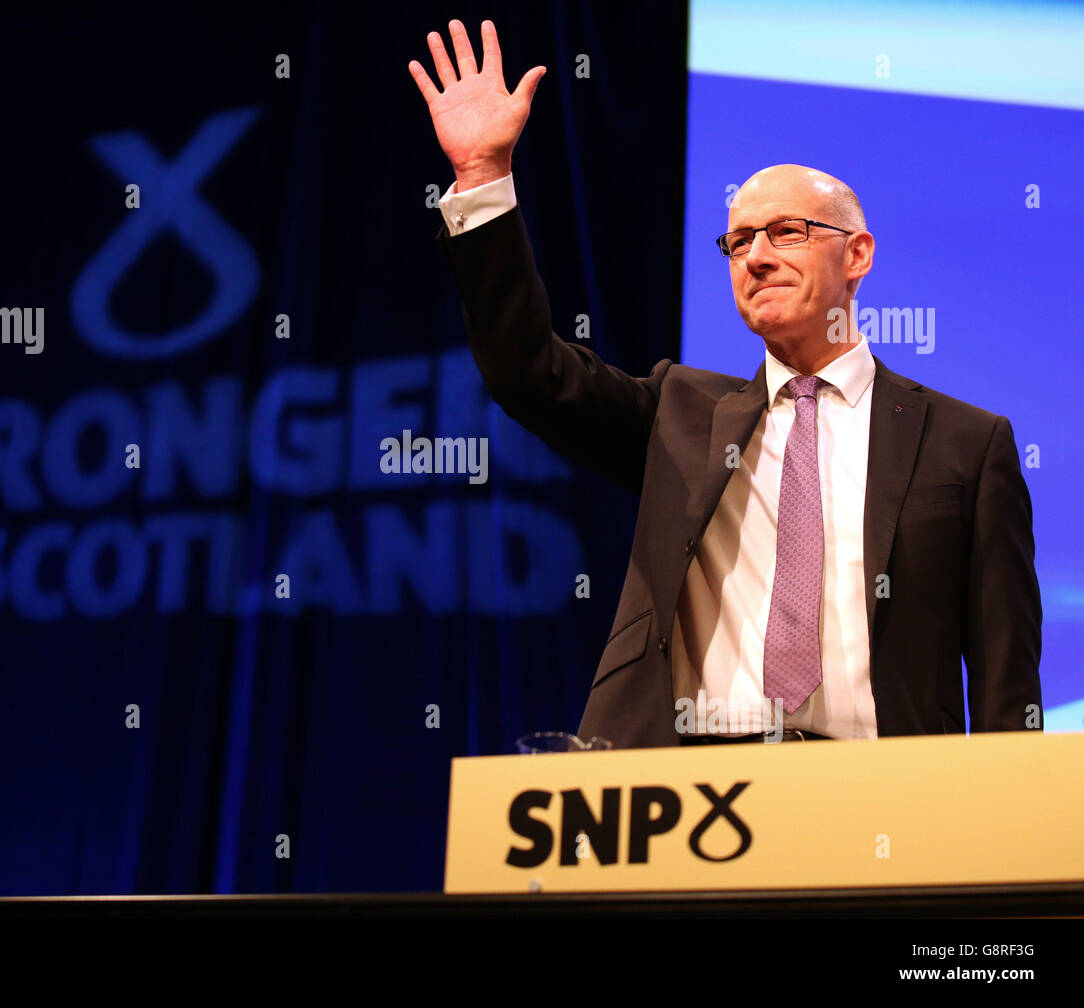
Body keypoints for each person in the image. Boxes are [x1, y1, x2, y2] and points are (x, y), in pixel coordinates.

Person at [410, 19, 1042, 748]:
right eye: (738, 242)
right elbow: (528, 371)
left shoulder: (967, 443)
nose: (757, 257)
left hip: (882, 797)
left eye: (788, 233)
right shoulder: (680, 416)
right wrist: (484, 178)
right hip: (691, 793)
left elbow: (1005, 679)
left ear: (858, 254)